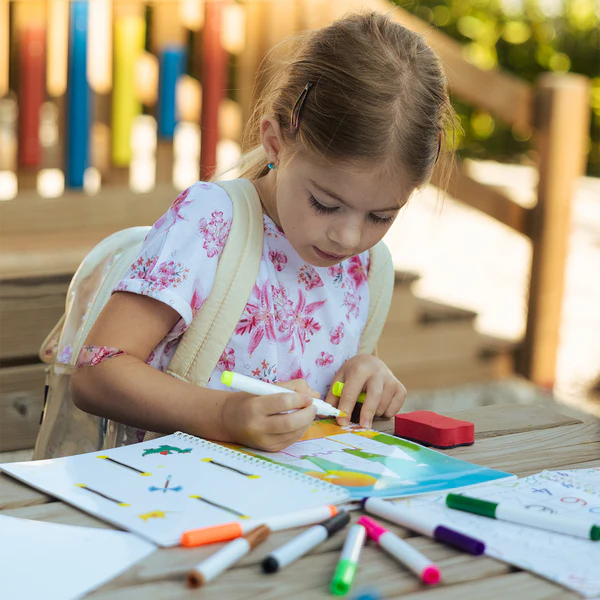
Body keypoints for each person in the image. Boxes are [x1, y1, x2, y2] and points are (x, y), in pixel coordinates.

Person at [71, 11, 456, 452]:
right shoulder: (213, 222)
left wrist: (365, 374)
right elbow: (96, 372)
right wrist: (222, 415)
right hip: (174, 501)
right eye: (325, 204)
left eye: (381, 216)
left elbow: (326, 412)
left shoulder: (368, 267)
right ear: (275, 141)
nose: (349, 238)